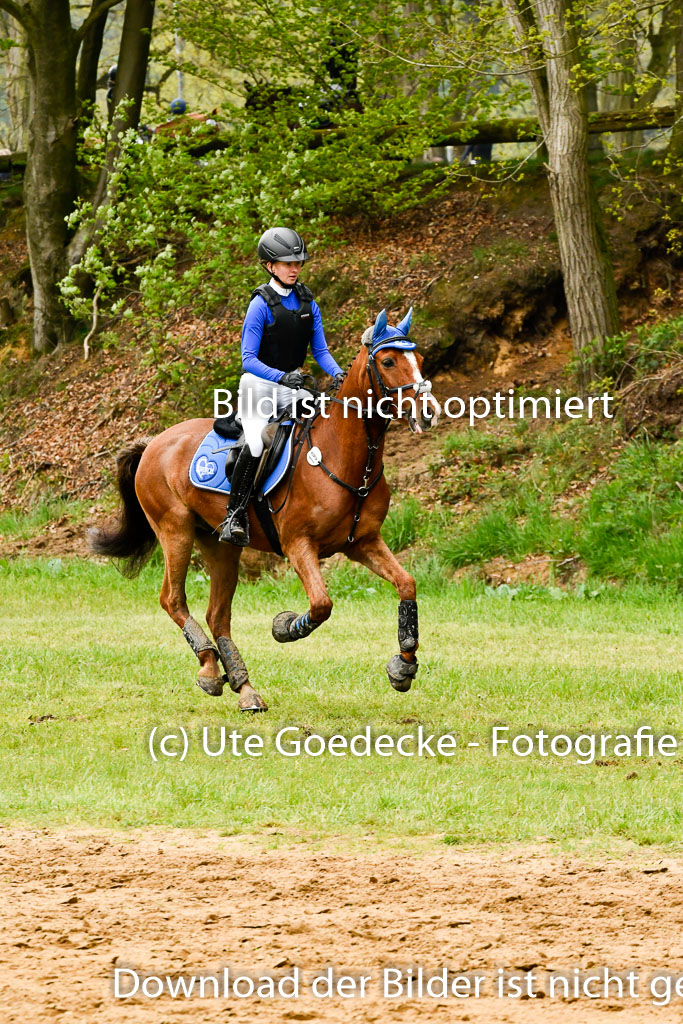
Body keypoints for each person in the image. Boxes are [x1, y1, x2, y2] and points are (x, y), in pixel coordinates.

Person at [218, 227, 345, 545]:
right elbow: (247, 358)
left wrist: (340, 374)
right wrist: (281, 377)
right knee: (259, 441)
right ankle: (234, 516)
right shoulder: (260, 305)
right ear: (269, 266)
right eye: (287, 263)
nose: (294, 268)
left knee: (322, 428)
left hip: (294, 385)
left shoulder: (307, 302)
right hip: (259, 386)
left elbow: (320, 351)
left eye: (298, 262)